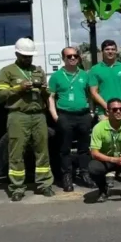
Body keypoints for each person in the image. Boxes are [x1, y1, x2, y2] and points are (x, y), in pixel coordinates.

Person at [0, 38, 54, 201]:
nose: (28, 59)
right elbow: (1, 94)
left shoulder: (38, 70)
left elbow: (47, 94)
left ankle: (44, 185)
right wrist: (19, 88)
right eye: (24, 56)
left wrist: (44, 90)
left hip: (38, 115)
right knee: (16, 151)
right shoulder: (7, 71)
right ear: (17, 54)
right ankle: (17, 188)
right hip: (18, 115)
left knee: (42, 151)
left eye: (29, 56)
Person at [47, 46, 93, 191]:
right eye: (69, 56)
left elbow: (91, 95)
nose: (72, 58)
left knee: (84, 148)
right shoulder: (56, 76)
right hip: (65, 116)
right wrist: (55, 116)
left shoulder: (85, 75)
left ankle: (85, 173)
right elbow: (51, 97)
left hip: (83, 115)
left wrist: (91, 112)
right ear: (63, 59)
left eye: (75, 56)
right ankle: (67, 176)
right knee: (65, 149)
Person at [89, 39, 121, 121]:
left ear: (116, 51)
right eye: (107, 49)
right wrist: (107, 106)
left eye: (113, 49)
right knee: (105, 133)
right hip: (104, 111)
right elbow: (93, 92)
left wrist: (120, 105)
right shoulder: (95, 69)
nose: (110, 52)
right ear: (102, 51)